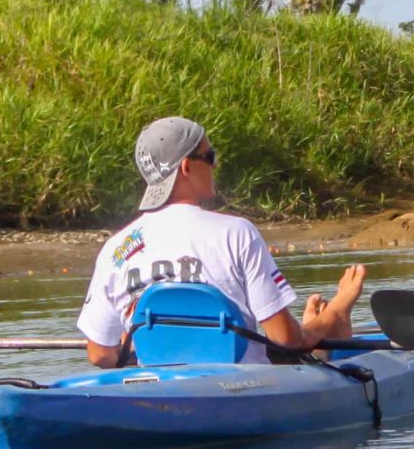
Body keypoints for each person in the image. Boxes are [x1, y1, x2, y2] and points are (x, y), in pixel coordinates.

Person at [76, 116, 366, 368]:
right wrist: (329, 316)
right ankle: (333, 321)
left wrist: (150, 341)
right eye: (210, 156)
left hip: (158, 384)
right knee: (295, 341)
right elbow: (284, 338)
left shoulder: (115, 248)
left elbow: (100, 354)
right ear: (187, 167)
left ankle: (322, 342)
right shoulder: (236, 232)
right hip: (241, 386)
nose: (215, 166)